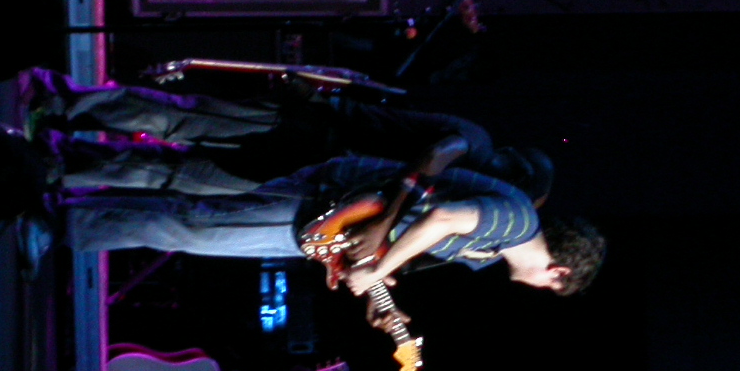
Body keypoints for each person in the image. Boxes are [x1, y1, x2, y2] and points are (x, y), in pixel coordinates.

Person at [58, 149, 605, 305]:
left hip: (337, 222)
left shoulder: (488, 254)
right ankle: (66, 222)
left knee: (196, 222)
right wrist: (380, 271)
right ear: (558, 270)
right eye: (549, 288)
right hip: (335, 202)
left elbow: (417, 230)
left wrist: (379, 283)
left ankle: (72, 210)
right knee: (195, 228)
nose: (538, 290)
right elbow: (442, 217)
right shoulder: (517, 221)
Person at [23, 68, 555, 204]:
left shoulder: (458, 190)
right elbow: (440, 150)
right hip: (311, 127)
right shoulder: (474, 145)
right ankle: (64, 101)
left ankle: (63, 162)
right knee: (179, 120)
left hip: (308, 173)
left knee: (176, 174)